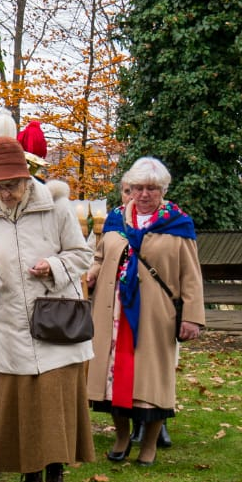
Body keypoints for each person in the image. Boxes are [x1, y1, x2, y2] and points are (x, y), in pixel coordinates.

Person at [0, 136, 93, 482]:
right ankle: (29, 478)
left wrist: (52, 266)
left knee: (52, 402)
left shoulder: (56, 209)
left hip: (54, 318)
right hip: (9, 321)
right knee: (22, 404)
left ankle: (55, 479)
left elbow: (81, 254)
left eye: (10, 185)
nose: (4, 193)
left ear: (25, 179)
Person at [86, 157, 204, 466]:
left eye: (151, 188)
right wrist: (92, 273)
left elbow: (191, 275)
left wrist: (192, 316)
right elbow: (100, 256)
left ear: (163, 189)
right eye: (137, 188)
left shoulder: (178, 223)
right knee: (113, 378)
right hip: (113, 313)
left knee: (152, 380)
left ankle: (149, 443)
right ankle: (122, 436)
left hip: (155, 314)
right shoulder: (115, 219)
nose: (143, 194)